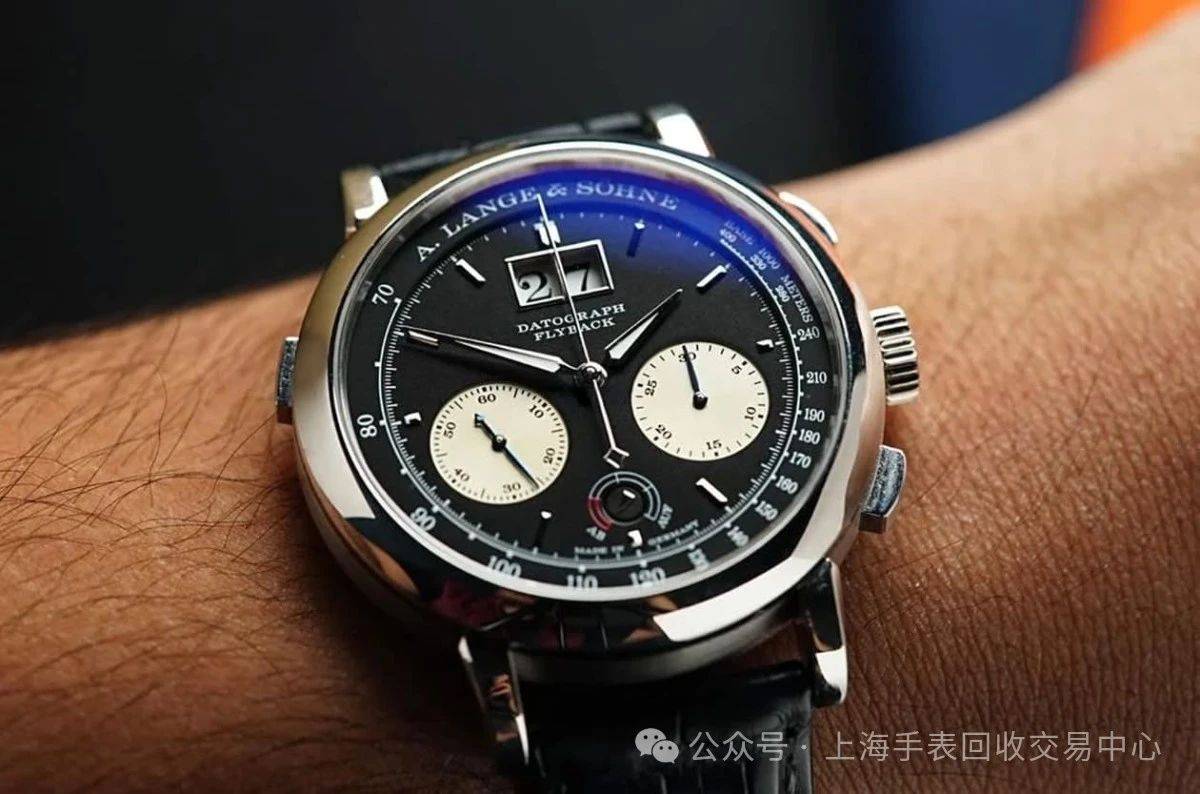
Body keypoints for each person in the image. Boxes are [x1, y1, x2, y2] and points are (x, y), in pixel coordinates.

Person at [1, 13, 1196, 792]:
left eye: (611, 369)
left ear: (877, 350)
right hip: (522, 644)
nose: (588, 377)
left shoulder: (814, 508)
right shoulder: (495, 650)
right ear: (303, 388)